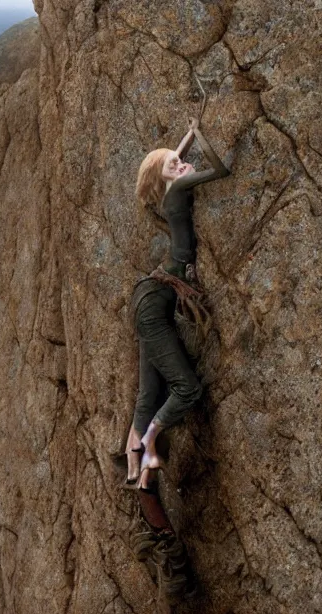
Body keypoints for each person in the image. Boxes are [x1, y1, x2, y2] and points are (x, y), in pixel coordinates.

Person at [125, 118, 230, 491]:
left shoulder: (171, 184)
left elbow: (173, 160)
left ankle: (132, 467)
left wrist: (188, 134)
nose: (182, 164)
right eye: (175, 165)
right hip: (154, 301)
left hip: (151, 297)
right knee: (187, 389)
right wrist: (201, 135)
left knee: (149, 392)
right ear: (168, 177)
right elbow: (220, 168)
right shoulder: (179, 186)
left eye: (179, 160)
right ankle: (150, 443)